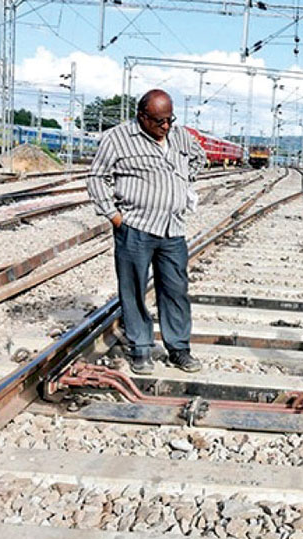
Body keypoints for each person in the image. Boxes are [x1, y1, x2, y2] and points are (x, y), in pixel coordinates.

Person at [87, 89, 206, 375]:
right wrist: (115, 216)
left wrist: (180, 182)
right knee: (134, 290)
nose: (165, 127)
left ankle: (179, 349)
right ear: (142, 116)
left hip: (173, 228)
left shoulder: (179, 135)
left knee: (176, 290)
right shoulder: (117, 138)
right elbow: (96, 177)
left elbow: (198, 157)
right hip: (136, 227)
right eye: (158, 121)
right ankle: (141, 349)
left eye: (169, 120)